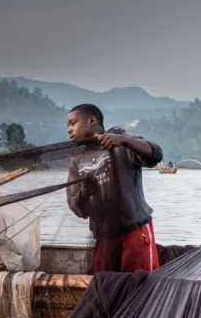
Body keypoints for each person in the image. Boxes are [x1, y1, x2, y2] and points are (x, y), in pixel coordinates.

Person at [66, 103, 164, 273]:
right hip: (104, 238)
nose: (69, 129)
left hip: (134, 231)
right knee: (107, 286)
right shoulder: (77, 161)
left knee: (139, 286)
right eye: (68, 125)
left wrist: (125, 141)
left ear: (91, 120)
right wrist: (83, 194)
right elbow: (77, 209)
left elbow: (156, 154)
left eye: (73, 123)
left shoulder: (121, 142)